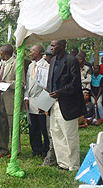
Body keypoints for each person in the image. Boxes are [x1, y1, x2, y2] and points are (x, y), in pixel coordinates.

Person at [47, 40, 86, 171]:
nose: (51, 48)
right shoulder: (52, 61)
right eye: (51, 46)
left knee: (70, 135)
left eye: (54, 45)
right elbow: (50, 83)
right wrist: (46, 103)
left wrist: (60, 93)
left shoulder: (71, 60)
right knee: (56, 133)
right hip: (53, 103)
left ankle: (74, 165)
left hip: (68, 103)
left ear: (62, 46)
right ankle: (63, 163)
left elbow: (76, 83)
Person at [24, 44, 49, 158]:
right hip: (31, 99)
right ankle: (36, 149)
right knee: (33, 126)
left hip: (41, 99)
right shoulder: (30, 66)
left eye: (31, 51)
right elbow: (28, 83)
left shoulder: (46, 66)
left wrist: (44, 103)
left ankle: (46, 150)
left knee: (43, 126)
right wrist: (26, 97)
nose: (29, 53)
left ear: (38, 52)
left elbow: (47, 86)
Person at [0, 44, 22, 158]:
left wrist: (6, 84)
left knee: (13, 125)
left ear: (6, 53)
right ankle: (3, 148)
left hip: (11, 98)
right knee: (2, 124)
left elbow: (21, 83)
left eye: (1, 52)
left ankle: (15, 150)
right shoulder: (2, 63)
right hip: (1, 97)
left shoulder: (16, 64)